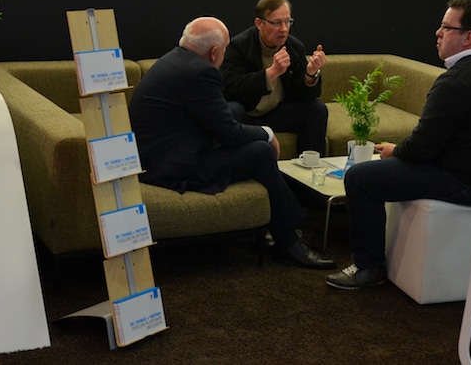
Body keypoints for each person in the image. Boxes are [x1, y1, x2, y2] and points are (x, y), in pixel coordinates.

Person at [326, 0, 471, 290]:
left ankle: (368, 267)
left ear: (468, 37)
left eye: (446, 27)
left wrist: (395, 151)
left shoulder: (456, 81)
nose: (438, 32)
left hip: (470, 183)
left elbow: (421, 148)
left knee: (360, 178)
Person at [129, 16, 334, 269]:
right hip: (174, 167)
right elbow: (230, 134)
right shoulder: (202, 73)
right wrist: (267, 134)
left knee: (237, 116)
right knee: (261, 152)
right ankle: (288, 241)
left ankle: (281, 222)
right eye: (224, 50)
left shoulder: (173, 60)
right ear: (214, 52)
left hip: (157, 154)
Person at [221, 0, 328, 156]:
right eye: (276, 23)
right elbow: (229, 89)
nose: (283, 29)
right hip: (247, 114)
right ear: (259, 23)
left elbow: (302, 95)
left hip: (276, 113)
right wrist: (271, 73)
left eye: (287, 22)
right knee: (231, 110)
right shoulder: (238, 47)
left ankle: (311, 166)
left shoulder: (294, 46)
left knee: (317, 109)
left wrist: (310, 74)